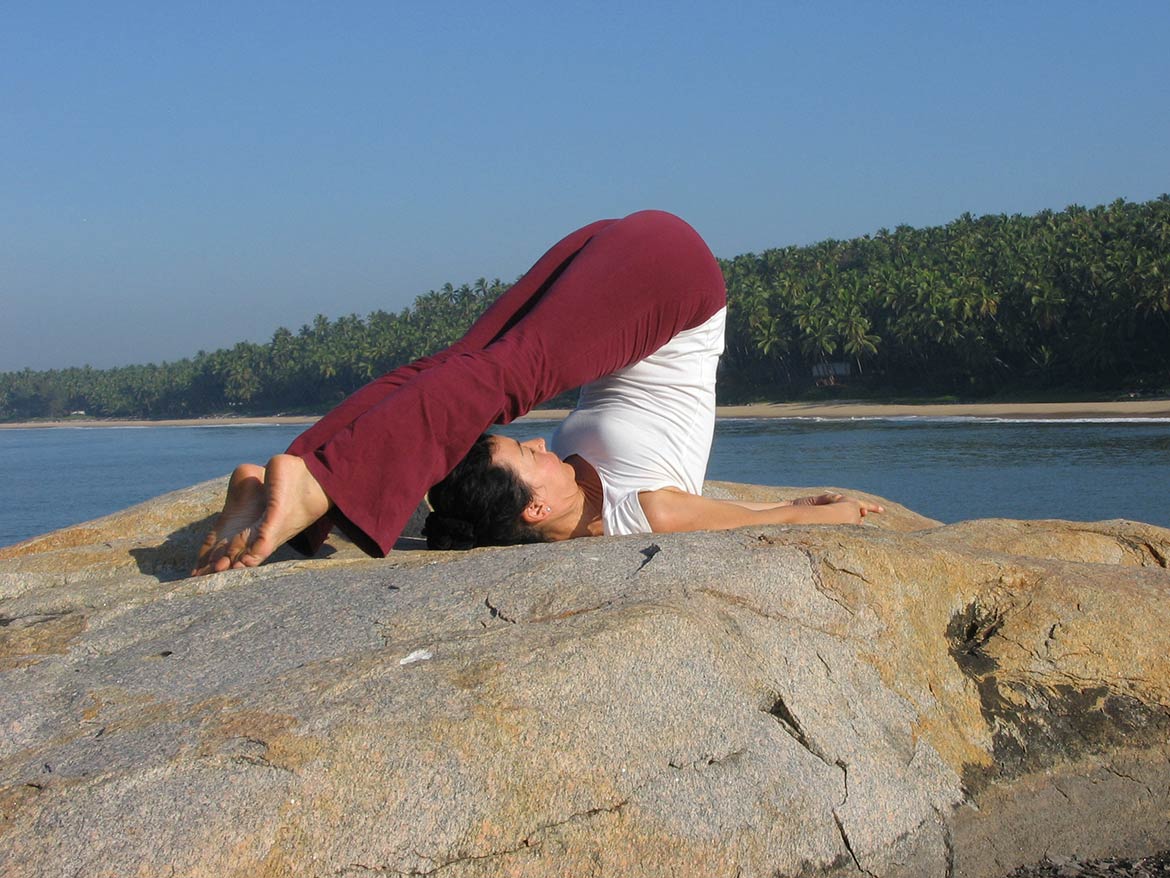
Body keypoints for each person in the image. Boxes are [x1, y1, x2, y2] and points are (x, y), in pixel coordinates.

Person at [193, 211, 879, 575]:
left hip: (641, 274)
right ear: (537, 507)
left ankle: (309, 475)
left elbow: (453, 487)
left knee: (479, 366)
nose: (535, 441)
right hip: (672, 282)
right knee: (496, 371)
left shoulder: (566, 491)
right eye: (527, 456)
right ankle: (307, 482)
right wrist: (828, 511)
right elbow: (762, 524)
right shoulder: (648, 516)